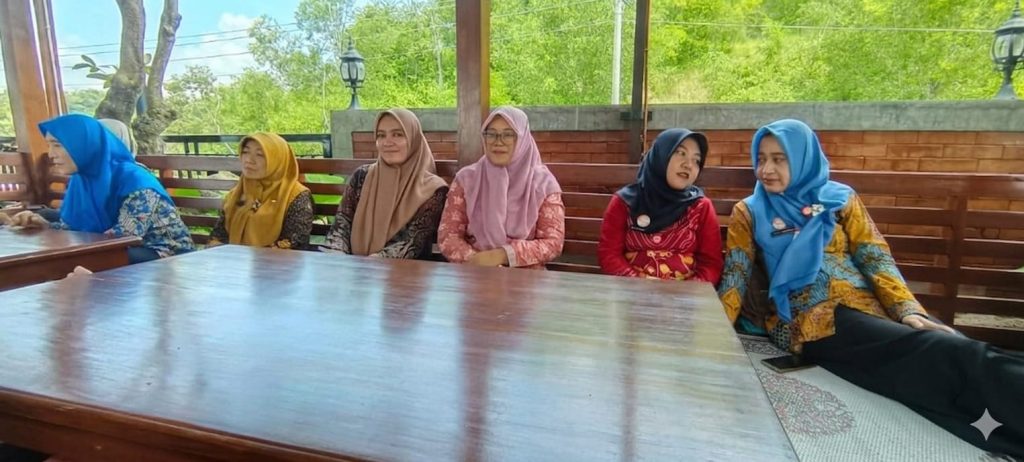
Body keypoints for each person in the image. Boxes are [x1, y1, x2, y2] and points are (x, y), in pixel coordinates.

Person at [717, 118, 1023, 456]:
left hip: (872, 306)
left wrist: (907, 310)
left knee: (948, 345)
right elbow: (735, 277)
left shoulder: (837, 200)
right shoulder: (751, 212)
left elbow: (874, 258)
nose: (765, 169)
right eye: (761, 159)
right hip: (814, 319)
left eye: (779, 159)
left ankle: (1005, 425)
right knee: (942, 352)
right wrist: (714, 338)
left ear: (803, 157)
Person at [7, 114, 193, 263]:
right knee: (72, 259)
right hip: (112, 250)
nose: (51, 154)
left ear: (84, 144)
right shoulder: (81, 180)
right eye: (49, 145)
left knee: (78, 260)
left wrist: (63, 240)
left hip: (165, 255)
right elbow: (75, 228)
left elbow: (123, 238)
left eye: (58, 145)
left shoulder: (135, 180)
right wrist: (44, 225)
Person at [438, 106, 564, 269]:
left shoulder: (543, 183)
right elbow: (448, 236)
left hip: (526, 276)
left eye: (508, 134)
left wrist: (503, 255)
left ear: (522, 138)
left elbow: (553, 243)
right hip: (475, 271)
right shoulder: (466, 179)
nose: (498, 142)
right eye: (491, 134)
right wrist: (476, 260)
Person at [597, 128, 722, 283]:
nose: (689, 165)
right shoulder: (624, 202)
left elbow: (711, 265)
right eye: (681, 153)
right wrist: (637, 285)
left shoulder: (701, 207)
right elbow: (609, 255)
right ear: (661, 156)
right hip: (631, 291)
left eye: (696, 160)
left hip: (685, 295)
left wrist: (687, 292)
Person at [322, 108, 448, 259]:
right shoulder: (362, 176)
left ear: (414, 139)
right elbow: (342, 224)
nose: (387, 142)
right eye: (381, 135)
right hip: (352, 266)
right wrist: (336, 257)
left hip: (404, 270)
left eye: (398, 134)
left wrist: (367, 265)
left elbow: (411, 244)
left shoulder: (433, 189)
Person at [208, 132, 313, 250]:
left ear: (277, 160)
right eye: (245, 152)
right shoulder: (237, 193)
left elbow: (294, 244)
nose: (249, 160)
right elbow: (217, 237)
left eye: (260, 155)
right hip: (231, 259)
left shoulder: (296, 195)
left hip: (274, 260)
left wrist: (248, 258)